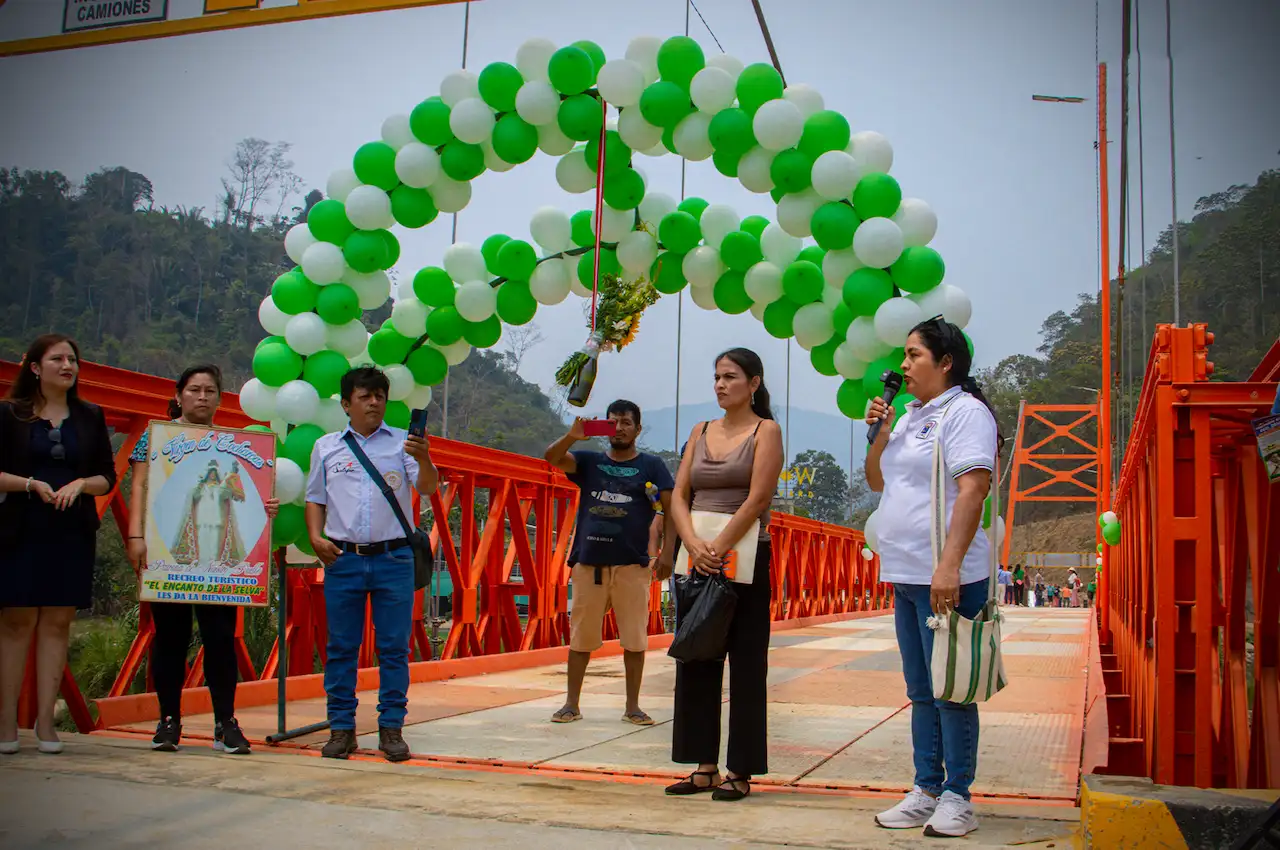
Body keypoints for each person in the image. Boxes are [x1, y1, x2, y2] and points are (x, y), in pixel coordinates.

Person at [864, 317, 1000, 837]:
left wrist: (948, 565)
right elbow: (878, 480)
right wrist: (878, 433)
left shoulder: (965, 413)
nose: (902, 365)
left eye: (914, 355)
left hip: (946, 576)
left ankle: (957, 796)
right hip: (904, 572)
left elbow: (973, 490)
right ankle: (925, 787)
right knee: (921, 689)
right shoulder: (908, 416)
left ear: (946, 363)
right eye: (904, 355)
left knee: (951, 690)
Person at [127, 364, 279, 754]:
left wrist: (267, 506)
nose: (202, 397)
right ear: (178, 395)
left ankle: (225, 722)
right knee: (171, 639)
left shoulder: (232, 443)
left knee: (220, 640)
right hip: (174, 554)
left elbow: (246, 496)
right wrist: (136, 536)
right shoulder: (157, 438)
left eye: (210, 391)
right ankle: (168, 721)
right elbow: (142, 483)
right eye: (194, 390)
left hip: (220, 558)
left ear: (219, 398)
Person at [666, 348, 784, 802]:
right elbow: (678, 494)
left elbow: (758, 499)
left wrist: (717, 545)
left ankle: (741, 770)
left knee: (747, 662)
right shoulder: (700, 430)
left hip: (745, 555)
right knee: (696, 652)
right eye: (716, 376)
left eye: (730, 377)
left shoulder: (765, 431)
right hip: (697, 555)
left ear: (753, 383)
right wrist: (693, 545)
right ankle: (703, 766)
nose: (719, 384)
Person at [305, 367, 438, 763]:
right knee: (341, 648)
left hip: (394, 557)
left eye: (380, 395)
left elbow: (428, 487)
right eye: (365, 396)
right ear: (346, 404)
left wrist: (425, 457)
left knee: (394, 648)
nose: (375, 402)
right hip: (343, 558)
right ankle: (341, 730)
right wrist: (315, 537)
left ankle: (391, 729)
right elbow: (316, 497)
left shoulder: (403, 444)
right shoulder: (326, 447)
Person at [0, 334, 116, 754]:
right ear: (35, 367)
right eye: (58, 359)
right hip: (20, 528)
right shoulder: (9, 415)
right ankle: (7, 723)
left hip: (71, 530)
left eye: (73, 360)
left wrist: (83, 483)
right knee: (16, 623)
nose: (68, 366)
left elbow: (107, 474)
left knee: (57, 623)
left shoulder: (90, 416)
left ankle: (46, 722)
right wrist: (30, 484)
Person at [544, 401, 675, 726]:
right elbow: (552, 458)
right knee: (581, 636)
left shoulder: (652, 465)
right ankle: (571, 704)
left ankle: (633, 706)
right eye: (613, 422)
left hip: (633, 564)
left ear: (638, 429)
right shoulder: (589, 461)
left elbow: (672, 510)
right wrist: (573, 436)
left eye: (626, 423)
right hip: (590, 563)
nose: (619, 428)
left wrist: (668, 554)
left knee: (634, 637)